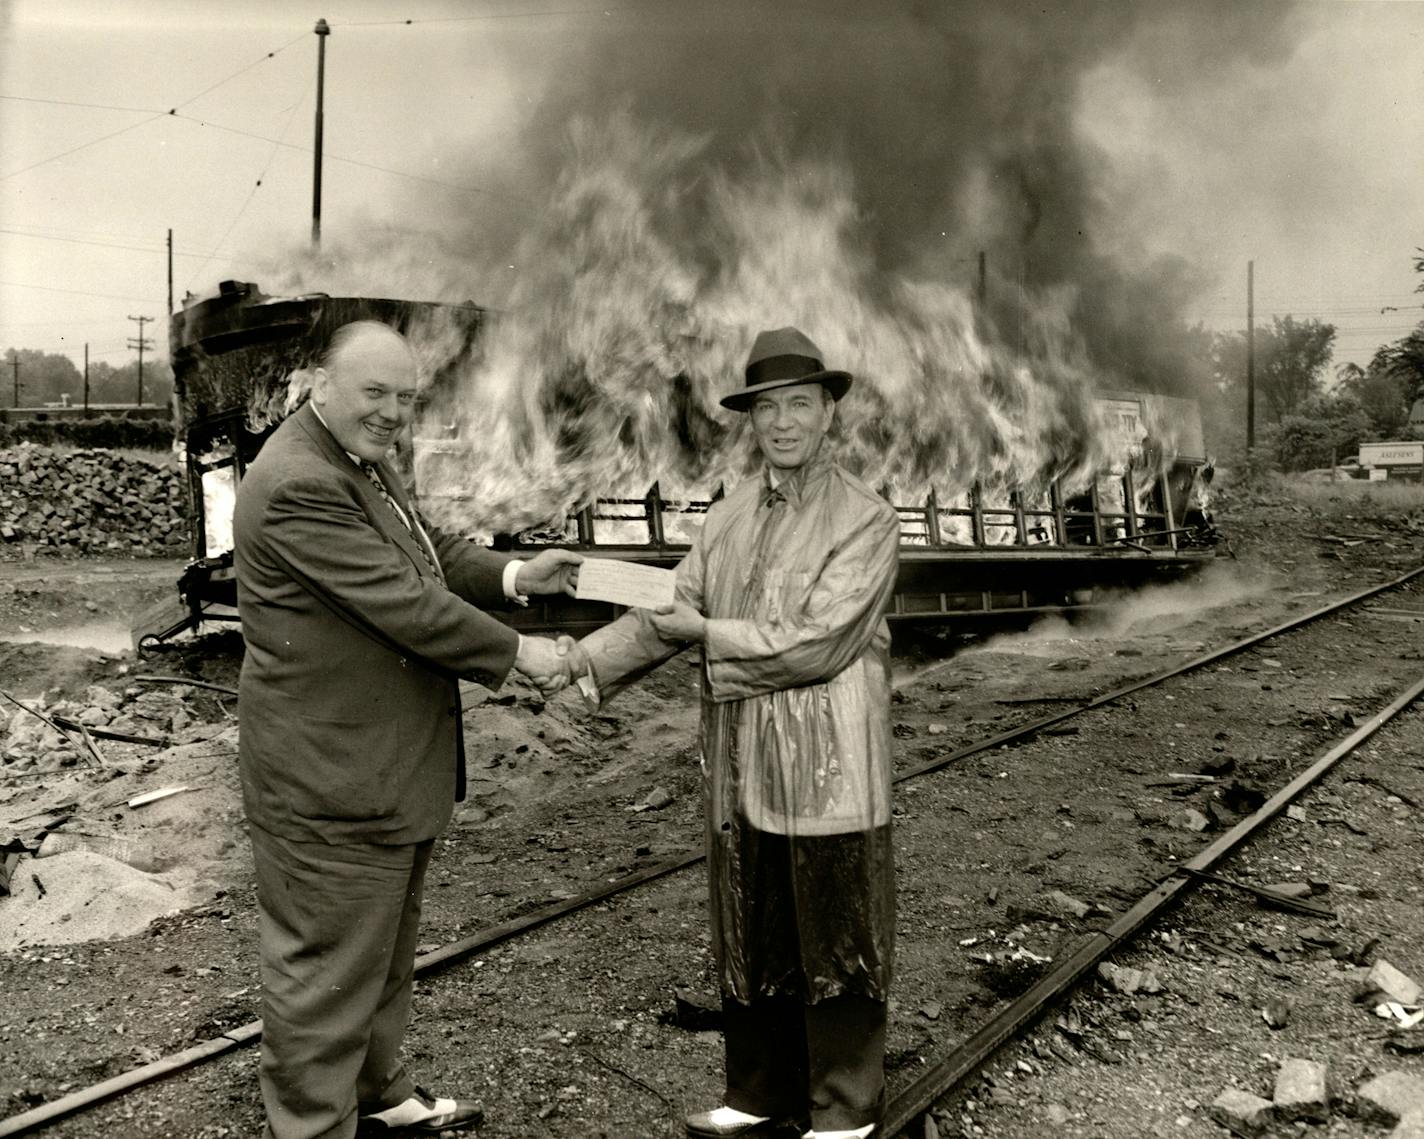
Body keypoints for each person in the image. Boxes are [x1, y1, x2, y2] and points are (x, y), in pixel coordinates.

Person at [233, 320, 579, 1139]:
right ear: (319, 385)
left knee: (380, 956)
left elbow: (427, 554)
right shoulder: (299, 483)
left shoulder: (359, 458)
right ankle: (315, 1124)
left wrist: (515, 574)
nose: (393, 413)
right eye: (376, 393)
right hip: (333, 782)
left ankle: (378, 1097)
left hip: (380, 774)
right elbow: (405, 604)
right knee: (325, 973)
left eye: (406, 398)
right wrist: (521, 653)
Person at [564, 327, 900, 1139]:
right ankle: (757, 1094)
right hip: (747, 758)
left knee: (836, 920)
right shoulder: (728, 517)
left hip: (832, 763)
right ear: (750, 420)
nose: (782, 422)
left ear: (828, 412)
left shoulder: (866, 519)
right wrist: (579, 664)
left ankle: (846, 1109)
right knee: (754, 916)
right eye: (766, 408)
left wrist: (711, 633)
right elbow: (671, 608)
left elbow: (817, 642)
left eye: (798, 404)